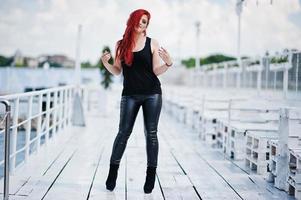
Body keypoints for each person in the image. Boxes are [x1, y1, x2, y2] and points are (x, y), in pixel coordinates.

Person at [101, 8, 173, 194]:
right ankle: (112, 172)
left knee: (151, 134)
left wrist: (168, 63)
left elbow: (156, 70)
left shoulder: (152, 43)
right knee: (123, 133)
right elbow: (117, 70)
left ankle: (150, 175)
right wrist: (105, 64)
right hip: (130, 94)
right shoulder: (121, 45)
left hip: (152, 93)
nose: (143, 25)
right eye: (141, 21)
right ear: (133, 20)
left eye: (146, 22)